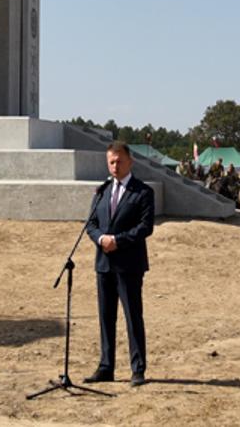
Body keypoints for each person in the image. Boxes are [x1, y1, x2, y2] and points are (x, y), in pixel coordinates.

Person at [83, 142, 154, 387]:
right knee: (106, 318)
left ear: (130, 162)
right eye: (111, 162)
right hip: (104, 264)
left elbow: (145, 227)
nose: (115, 166)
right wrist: (100, 239)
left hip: (129, 265)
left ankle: (138, 369)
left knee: (133, 317)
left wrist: (118, 241)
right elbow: (91, 224)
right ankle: (106, 367)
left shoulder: (142, 192)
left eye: (119, 161)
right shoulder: (102, 191)